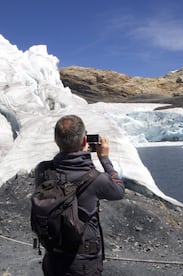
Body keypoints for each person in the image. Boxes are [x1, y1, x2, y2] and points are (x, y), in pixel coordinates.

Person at [34, 114, 125, 276]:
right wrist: (104, 158)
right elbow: (119, 191)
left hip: (53, 258)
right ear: (84, 141)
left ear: (56, 141)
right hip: (84, 262)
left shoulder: (43, 171)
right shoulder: (97, 179)